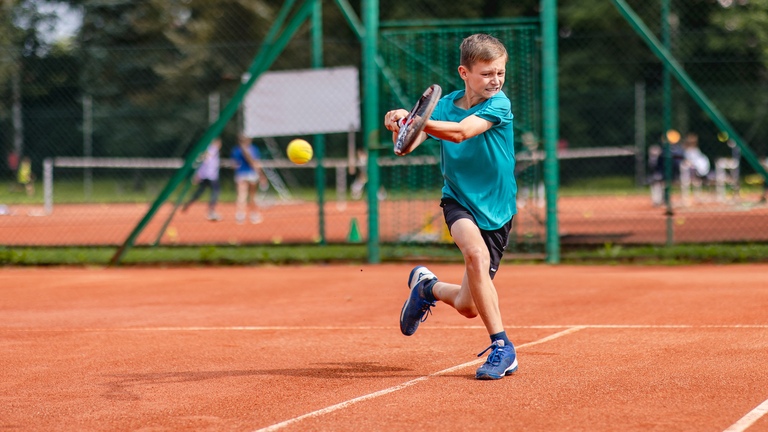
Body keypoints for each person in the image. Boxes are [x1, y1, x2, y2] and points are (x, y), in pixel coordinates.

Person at [384, 33, 518, 380]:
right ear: (464, 72)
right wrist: (399, 124)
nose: (495, 80)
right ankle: (502, 347)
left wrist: (415, 119)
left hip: (497, 210)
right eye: (487, 73)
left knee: (467, 305)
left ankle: (425, 287)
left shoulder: (498, 104)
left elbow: (460, 132)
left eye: (500, 72)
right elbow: (408, 145)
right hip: (458, 200)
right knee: (475, 255)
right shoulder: (443, 107)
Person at [182, 138, 222, 221]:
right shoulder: (213, 149)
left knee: (200, 191)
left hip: (205, 175)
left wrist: (199, 174)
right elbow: (207, 158)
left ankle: (189, 203)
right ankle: (211, 211)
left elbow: (204, 161)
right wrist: (198, 174)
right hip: (211, 175)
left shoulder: (208, 149)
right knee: (215, 191)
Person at [231, 134, 268, 224]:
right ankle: (254, 215)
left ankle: (240, 216)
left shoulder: (236, 150)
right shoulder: (254, 149)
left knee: (241, 196)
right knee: (252, 196)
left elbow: (234, 164)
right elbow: (256, 163)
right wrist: (261, 175)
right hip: (252, 174)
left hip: (241, 174)